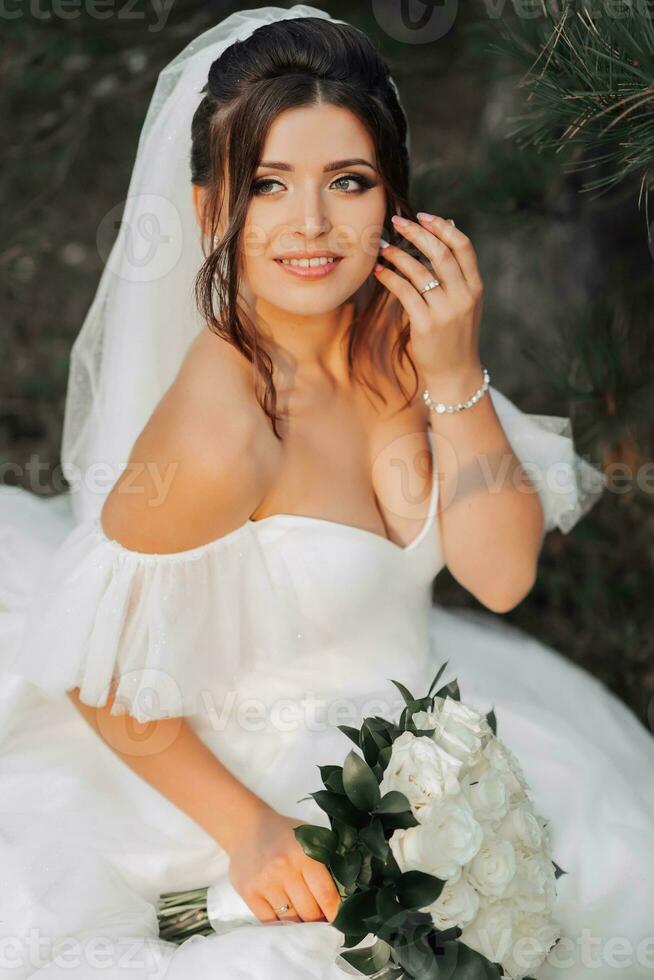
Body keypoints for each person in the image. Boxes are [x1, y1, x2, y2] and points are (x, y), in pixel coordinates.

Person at [0, 6, 652, 979]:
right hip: (251, 766)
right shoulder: (221, 426)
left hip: (417, 734)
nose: (311, 226)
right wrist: (253, 828)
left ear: (392, 195)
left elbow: (502, 572)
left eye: (347, 182)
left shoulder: (399, 334)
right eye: (268, 185)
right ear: (211, 207)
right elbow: (97, 671)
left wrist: (453, 370)